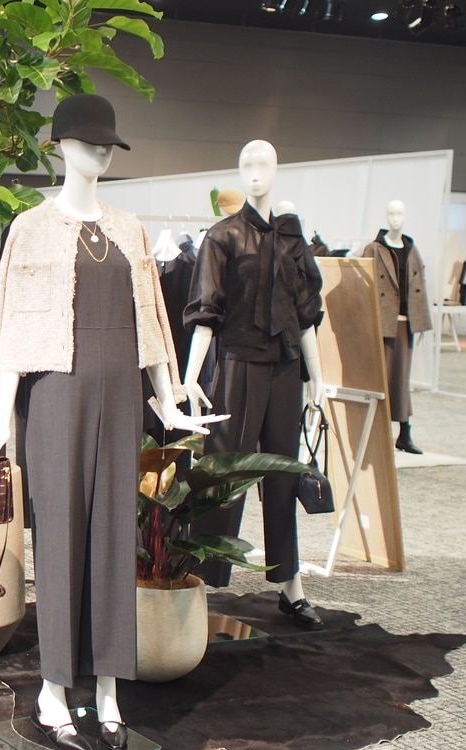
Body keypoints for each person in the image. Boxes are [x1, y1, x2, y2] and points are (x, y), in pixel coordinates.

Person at [0, 94, 224, 750]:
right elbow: (11, 324)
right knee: (60, 542)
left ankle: (107, 691)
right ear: (61, 146)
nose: (102, 151)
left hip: (121, 397)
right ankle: (53, 691)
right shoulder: (30, 227)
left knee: (114, 540)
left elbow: (152, 321)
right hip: (57, 397)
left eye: (108, 143)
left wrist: (170, 402)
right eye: (89, 141)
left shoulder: (130, 228)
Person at [182, 140, 327, 630]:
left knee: (283, 476)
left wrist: (318, 376)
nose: (255, 172)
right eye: (246, 164)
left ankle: (291, 587)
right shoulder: (222, 236)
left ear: (277, 169)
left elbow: (306, 314)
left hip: (285, 368)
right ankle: (197, 583)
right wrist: (190, 377)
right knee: (224, 474)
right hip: (238, 365)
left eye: (263, 163)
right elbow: (206, 312)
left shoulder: (292, 239)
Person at [360, 200, 431, 453]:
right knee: (380, 377)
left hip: (404, 322)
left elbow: (419, 286)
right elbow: (362, 282)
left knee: (401, 378)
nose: (395, 218)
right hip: (382, 322)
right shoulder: (374, 248)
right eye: (391, 213)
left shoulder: (411, 249)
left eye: (399, 213)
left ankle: (404, 432)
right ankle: (378, 432)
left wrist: (421, 321)